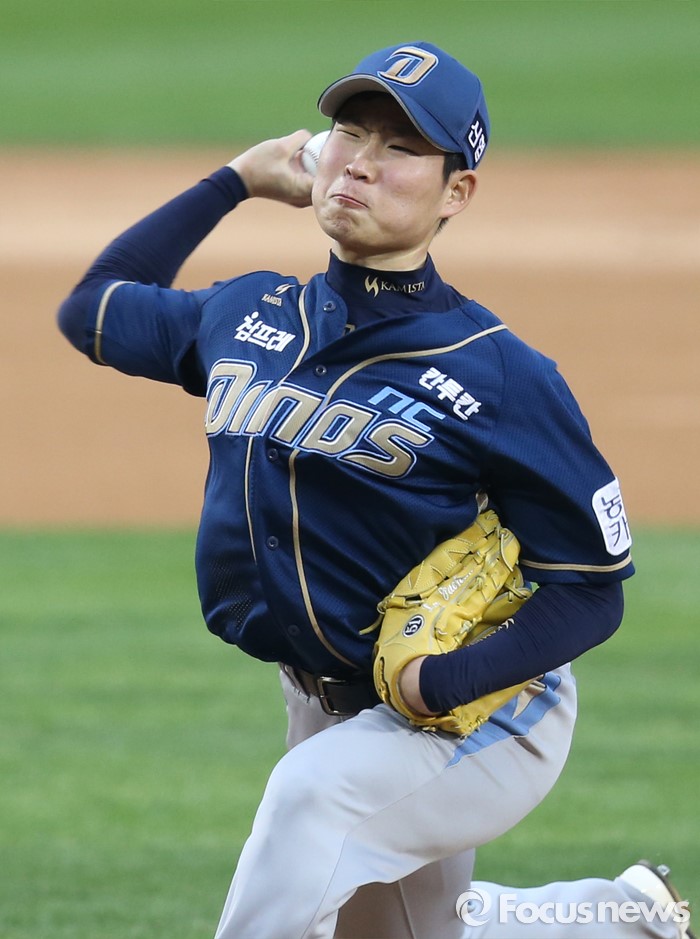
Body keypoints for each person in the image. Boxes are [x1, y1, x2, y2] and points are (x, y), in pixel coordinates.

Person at [57, 41, 692, 939]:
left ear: (456, 192)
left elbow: (592, 588)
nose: (361, 160)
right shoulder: (249, 314)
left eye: (400, 147)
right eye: (351, 132)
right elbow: (91, 309)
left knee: (309, 801)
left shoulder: (498, 373)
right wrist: (233, 182)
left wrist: (444, 680)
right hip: (328, 707)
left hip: (483, 712)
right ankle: (622, 919)